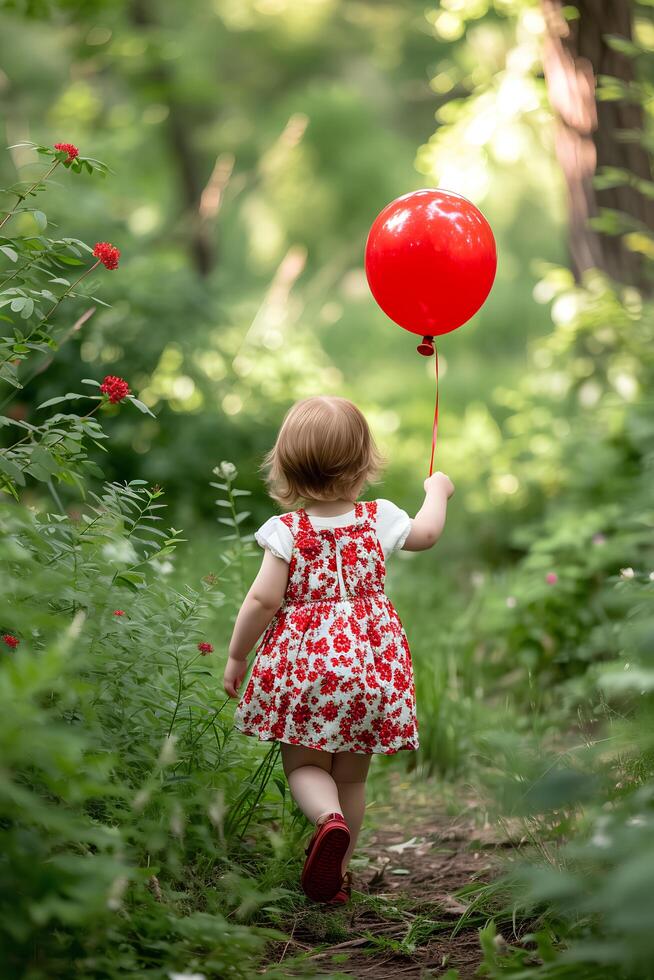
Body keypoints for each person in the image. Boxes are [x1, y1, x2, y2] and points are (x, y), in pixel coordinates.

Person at [223, 396, 454, 904]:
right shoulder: (380, 518)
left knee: (306, 767)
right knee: (352, 775)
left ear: (286, 466)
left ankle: (327, 822)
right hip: (371, 666)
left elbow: (263, 600)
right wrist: (437, 490)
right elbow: (429, 532)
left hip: (305, 671)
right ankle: (339, 872)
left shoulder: (287, 531)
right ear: (364, 462)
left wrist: (238, 655)